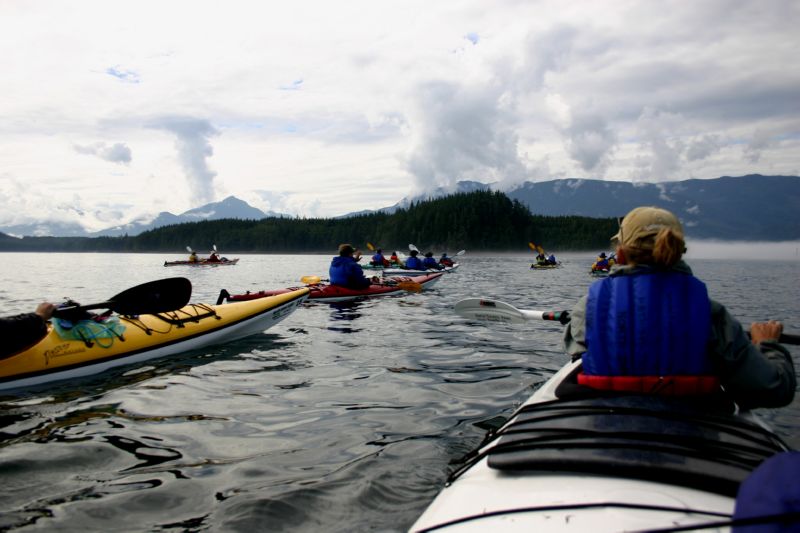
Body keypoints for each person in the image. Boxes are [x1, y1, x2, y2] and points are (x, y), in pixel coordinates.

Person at [563, 206, 795, 409]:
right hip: (690, 430)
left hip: (604, 424)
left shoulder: (588, 307)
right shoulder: (711, 314)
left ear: (621, 253)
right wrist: (767, 345)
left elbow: (578, 353)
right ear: (678, 252)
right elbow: (774, 390)